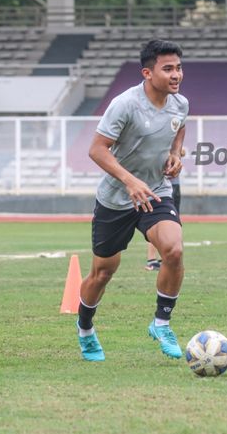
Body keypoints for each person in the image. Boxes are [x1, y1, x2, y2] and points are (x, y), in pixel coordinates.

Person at [76, 39, 188, 362]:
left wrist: (175, 154)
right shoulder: (124, 104)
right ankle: (85, 328)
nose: (176, 74)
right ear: (147, 73)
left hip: (155, 191)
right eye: (167, 69)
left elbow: (179, 130)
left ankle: (161, 323)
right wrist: (129, 180)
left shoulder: (180, 104)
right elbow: (96, 149)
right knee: (103, 272)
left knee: (174, 249)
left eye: (178, 67)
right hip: (116, 198)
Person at [145, 148, 185, 271]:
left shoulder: (173, 136)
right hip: (160, 186)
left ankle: (165, 259)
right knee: (156, 221)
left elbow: (181, 152)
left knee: (173, 222)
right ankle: (152, 259)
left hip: (173, 184)